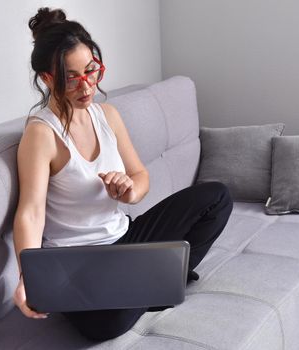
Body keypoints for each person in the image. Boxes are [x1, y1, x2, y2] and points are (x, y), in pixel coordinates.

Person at [13, 7, 233, 342]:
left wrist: (128, 191)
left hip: (124, 241)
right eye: (72, 78)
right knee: (107, 326)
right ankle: (158, 282)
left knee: (216, 197)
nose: (87, 86)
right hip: (77, 262)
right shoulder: (42, 134)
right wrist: (27, 276)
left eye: (92, 71)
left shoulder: (108, 115)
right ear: (47, 79)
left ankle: (153, 280)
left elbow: (140, 176)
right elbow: (30, 212)